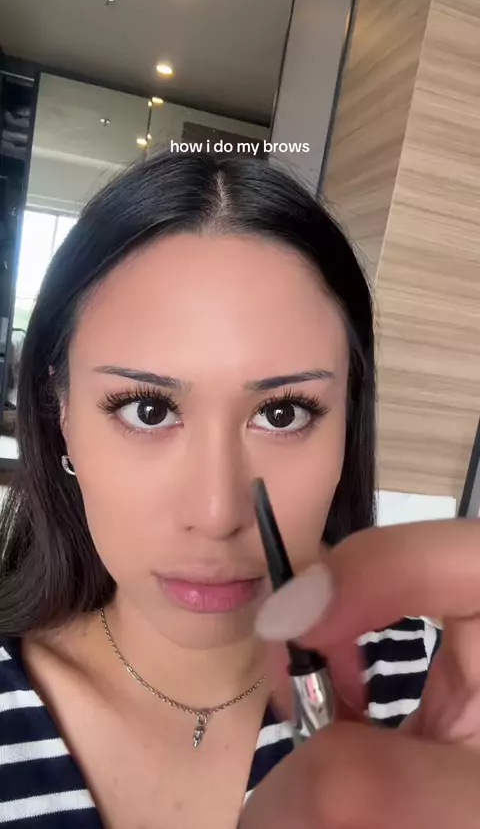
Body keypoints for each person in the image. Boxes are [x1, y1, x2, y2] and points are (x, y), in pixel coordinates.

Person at [0, 150, 476, 828]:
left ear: (348, 422)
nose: (218, 513)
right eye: (148, 410)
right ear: (62, 415)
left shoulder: (444, 690)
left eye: (282, 414)